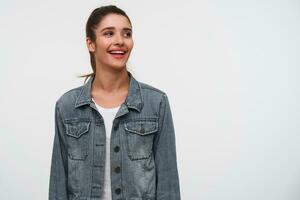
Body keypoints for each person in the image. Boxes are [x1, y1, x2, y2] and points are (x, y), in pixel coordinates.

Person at [49, 5, 180, 200]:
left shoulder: (156, 103)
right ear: (91, 43)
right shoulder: (67, 106)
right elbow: (58, 187)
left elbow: (168, 187)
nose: (120, 41)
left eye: (127, 34)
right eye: (109, 33)